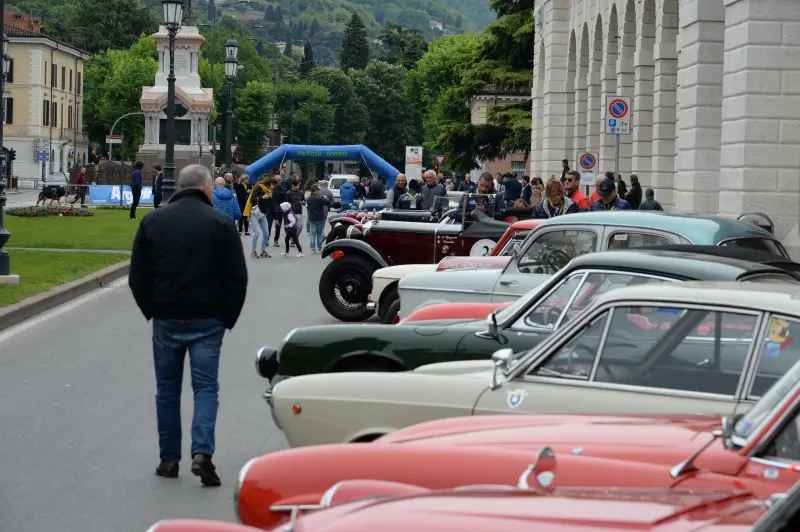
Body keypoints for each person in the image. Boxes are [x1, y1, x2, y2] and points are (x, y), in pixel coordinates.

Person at [128, 164, 248, 488]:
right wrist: (228, 317)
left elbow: (137, 275)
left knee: (167, 390)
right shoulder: (221, 223)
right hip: (208, 318)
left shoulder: (153, 220)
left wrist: (150, 309)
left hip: (166, 315)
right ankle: (202, 452)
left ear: (179, 187)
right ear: (208, 188)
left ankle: (168, 460)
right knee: (206, 388)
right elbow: (237, 278)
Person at [244, 176, 273, 258]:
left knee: (266, 233)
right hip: (254, 211)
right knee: (256, 233)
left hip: (262, 213)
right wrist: (263, 197)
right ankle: (253, 251)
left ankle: (263, 251)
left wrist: (269, 197)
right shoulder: (258, 187)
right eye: (272, 185)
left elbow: (269, 203)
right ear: (268, 183)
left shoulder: (269, 190)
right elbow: (252, 199)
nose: (273, 187)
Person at [306, 184, 329, 254]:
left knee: (313, 234)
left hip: (312, 218)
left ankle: (312, 249)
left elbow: (308, 207)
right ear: (316, 191)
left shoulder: (309, 199)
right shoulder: (320, 198)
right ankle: (319, 248)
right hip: (320, 217)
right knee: (319, 234)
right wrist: (325, 197)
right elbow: (328, 203)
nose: (319, 192)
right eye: (318, 190)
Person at [271, 175, 288, 247]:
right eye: (278, 180)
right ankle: (266, 239)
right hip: (270, 209)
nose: (279, 182)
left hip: (279, 210)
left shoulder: (283, 189)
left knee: (278, 226)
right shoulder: (270, 188)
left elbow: (285, 199)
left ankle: (276, 240)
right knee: (268, 225)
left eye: (280, 180)